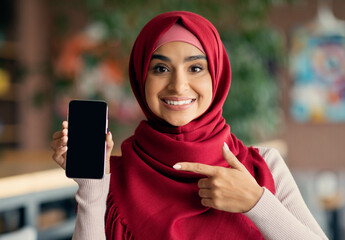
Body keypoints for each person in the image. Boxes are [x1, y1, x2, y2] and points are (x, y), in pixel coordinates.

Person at [51, 11, 328, 240]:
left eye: (196, 68)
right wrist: (91, 185)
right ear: (140, 78)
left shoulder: (263, 167)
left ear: (216, 77)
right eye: (160, 68)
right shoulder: (113, 179)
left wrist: (257, 202)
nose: (178, 85)